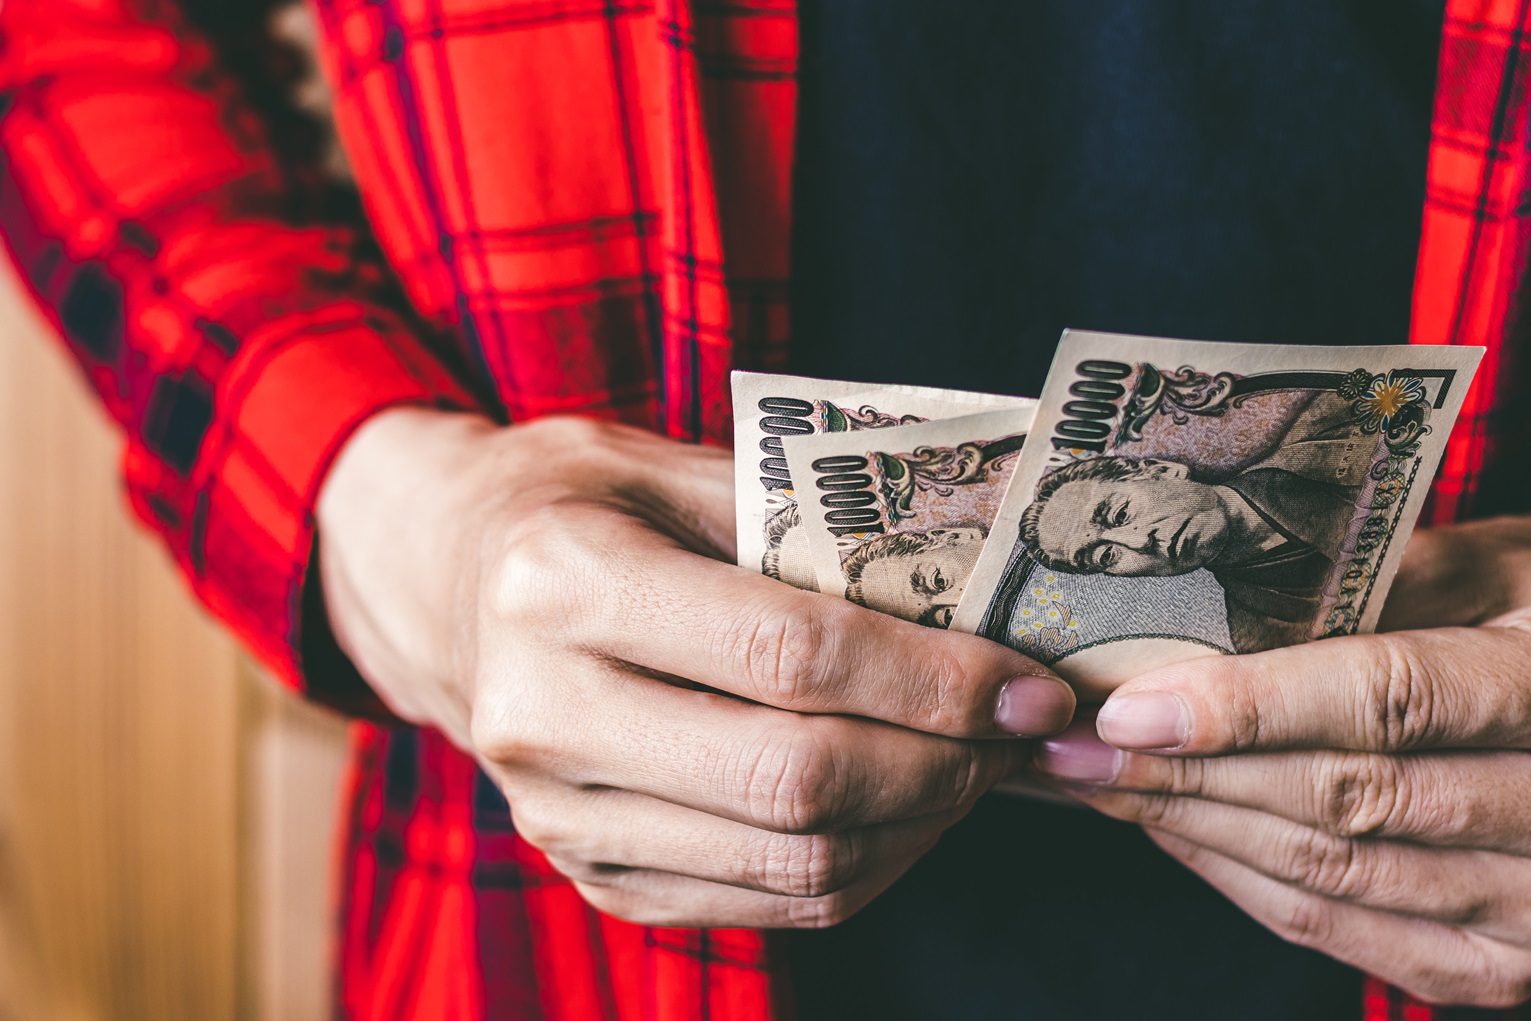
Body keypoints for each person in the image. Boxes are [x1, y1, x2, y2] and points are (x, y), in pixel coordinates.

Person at [5, 3, 1531, 1021]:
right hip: (565, 921)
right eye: (1109, 545)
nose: (1125, 550)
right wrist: (378, 500)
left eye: (1109, 521)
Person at [1018, 392, 1374, 651]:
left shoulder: (1340, 425)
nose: (1138, 542)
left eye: (1120, 514)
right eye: (1105, 556)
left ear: (1163, 472)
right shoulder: (1262, 634)